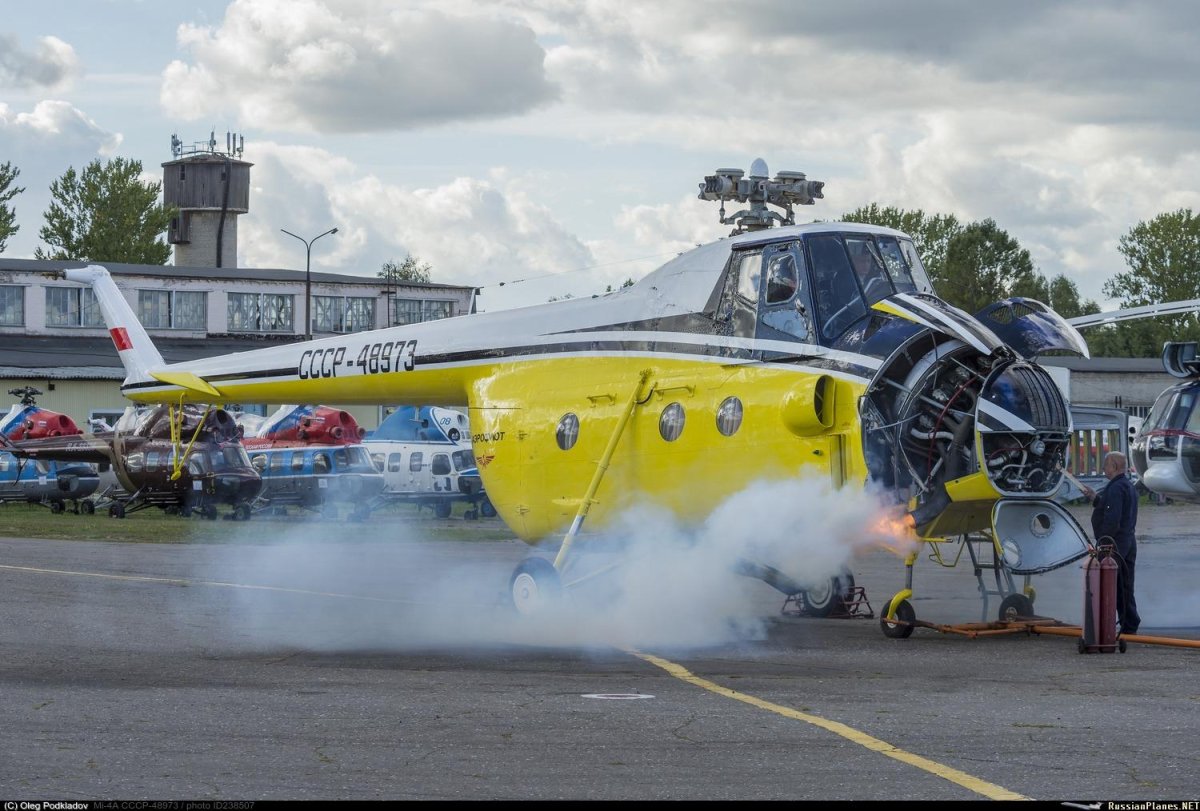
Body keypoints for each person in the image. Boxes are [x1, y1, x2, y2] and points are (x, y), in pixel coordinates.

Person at [1080, 451, 1141, 635]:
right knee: (1125, 585)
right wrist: (1095, 498)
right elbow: (1117, 509)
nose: (1103, 468)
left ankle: (1112, 625)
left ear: (1114, 466)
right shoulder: (1127, 486)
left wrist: (1104, 543)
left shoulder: (1115, 488)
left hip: (1116, 544)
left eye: (1106, 464)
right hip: (1128, 541)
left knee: (1110, 585)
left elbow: (1112, 519)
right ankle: (1130, 623)